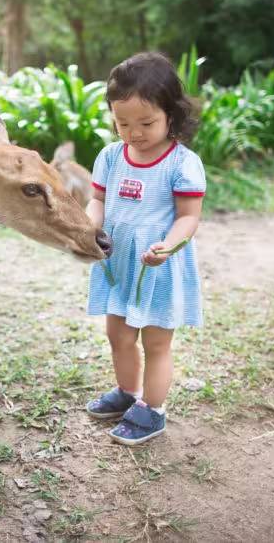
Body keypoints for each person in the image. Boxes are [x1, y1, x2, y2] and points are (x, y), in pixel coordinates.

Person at [84, 51, 205, 445]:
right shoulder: (110, 157)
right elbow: (98, 201)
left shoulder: (182, 164)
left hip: (158, 266)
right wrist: (90, 226)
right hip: (118, 262)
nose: (133, 132)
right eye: (122, 123)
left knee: (155, 342)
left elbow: (188, 217)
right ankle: (128, 392)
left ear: (172, 114)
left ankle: (153, 410)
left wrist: (168, 247)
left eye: (146, 122)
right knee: (117, 334)